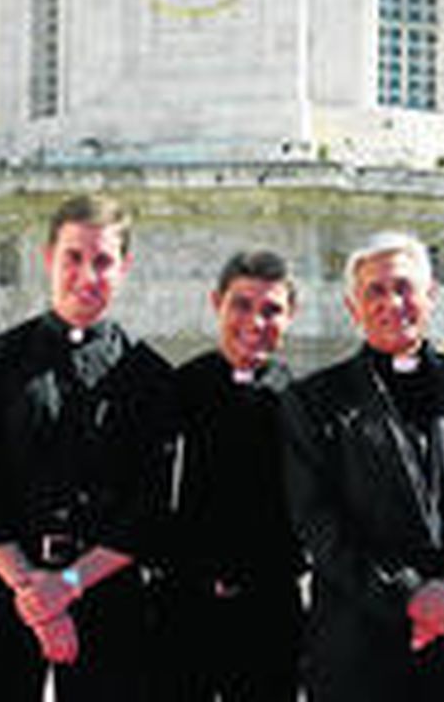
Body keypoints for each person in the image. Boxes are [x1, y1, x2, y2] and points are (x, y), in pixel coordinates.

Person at [281, 232, 444, 702]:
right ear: (354, 308)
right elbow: (319, 524)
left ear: (430, 297)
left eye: (405, 287)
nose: (392, 302)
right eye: (374, 290)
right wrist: (410, 596)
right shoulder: (314, 403)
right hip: (359, 655)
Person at [0, 193, 168, 701]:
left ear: (124, 268)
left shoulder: (149, 377)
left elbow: (149, 505)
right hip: (4, 588)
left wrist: (67, 585)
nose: (87, 274)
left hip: (106, 592)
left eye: (103, 261)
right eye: (73, 257)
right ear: (48, 259)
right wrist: (36, 595)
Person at [144, 250, 305, 701]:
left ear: (291, 315)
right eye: (241, 305)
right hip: (182, 607)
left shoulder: (302, 405)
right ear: (217, 303)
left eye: (272, 309)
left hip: (269, 611)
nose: (255, 322)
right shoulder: (176, 390)